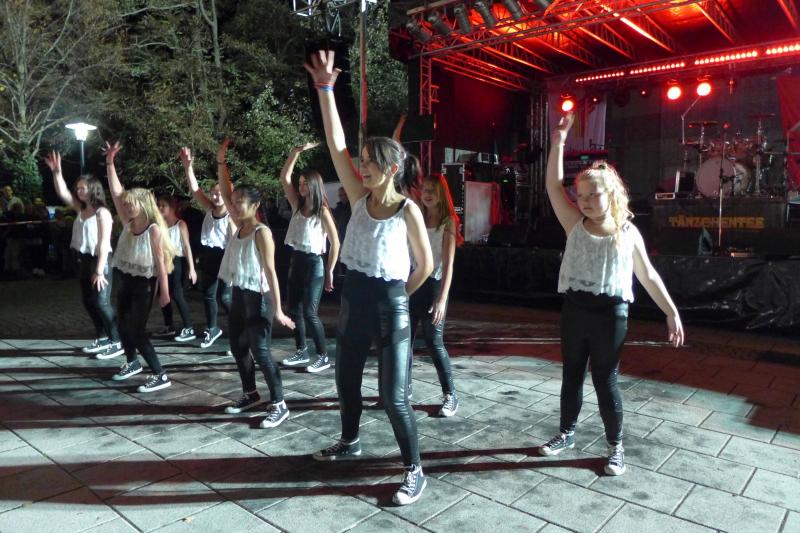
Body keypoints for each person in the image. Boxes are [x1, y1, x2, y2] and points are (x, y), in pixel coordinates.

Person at [305, 50, 434, 506]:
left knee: (393, 397)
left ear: (392, 170)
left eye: (371, 164)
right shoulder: (359, 196)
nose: (361, 168)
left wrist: (399, 298)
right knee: (346, 383)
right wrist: (325, 90)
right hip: (353, 303)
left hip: (390, 306)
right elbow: (334, 142)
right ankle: (350, 441)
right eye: (362, 162)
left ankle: (414, 470)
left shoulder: (407, 210)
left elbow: (425, 265)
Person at [538, 113, 685, 476]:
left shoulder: (627, 232)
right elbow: (554, 186)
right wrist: (558, 142)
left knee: (606, 380)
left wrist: (671, 312)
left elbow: (647, 275)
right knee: (571, 374)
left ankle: (615, 446)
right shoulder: (574, 223)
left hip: (611, 315)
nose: (585, 200)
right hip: (575, 310)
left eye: (594, 194)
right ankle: (566, 433)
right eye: (581, 195)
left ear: (613, 194)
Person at [215, 138, 296, 427]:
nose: (235, 206)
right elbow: (225, 190)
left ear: (255, 205)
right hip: (240, 293)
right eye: (234, 202)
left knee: (261, 351)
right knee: (238, 347)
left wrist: (279, 310)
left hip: (260, 297)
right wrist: (221, 162)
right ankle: (251, 394)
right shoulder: (239, 226)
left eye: (241, 203)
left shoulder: (261, 232)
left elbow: (271, 272)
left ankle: (279, 404)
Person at [104, 141, 176, 392]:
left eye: (131, 204)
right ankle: (132, 362)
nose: (126, 206)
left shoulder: (153, 229)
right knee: (122, 324)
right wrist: (110, 163)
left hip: (145, 283)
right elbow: (116, 193)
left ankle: (160, 374)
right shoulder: (129, 221)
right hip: (126, 278)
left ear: (143, 204)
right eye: (126, 204)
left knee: (136, 329)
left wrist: (164, 293)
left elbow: (161, 264)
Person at [44, 151, 123, 359]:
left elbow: (105, 243)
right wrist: (57, 172)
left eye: (83, 188)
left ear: (93, 189)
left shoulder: (102, 212)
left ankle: (117, 340)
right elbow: (63, 193)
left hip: (100, 261)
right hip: (84, 259)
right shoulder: (81, 209)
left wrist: (99, 270)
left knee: (102, 302)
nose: (78, 191)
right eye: (77, 188)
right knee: (88, 301)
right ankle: (102, 337)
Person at [278, 143, 341, 373]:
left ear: (314, 185)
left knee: (310, 312)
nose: (301, 186)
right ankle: (301, 350)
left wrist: (330, 270)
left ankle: (323, 356)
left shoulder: (321, 211)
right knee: (293, 309)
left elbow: (335, 242)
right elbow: (284, 177)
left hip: (315, 263)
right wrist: (295, 153)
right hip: (296, 260)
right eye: (301, 183)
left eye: (305, 183)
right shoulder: (296, 204)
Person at [408, 173, 462, 417]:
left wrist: (441, 299)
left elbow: (449, 265)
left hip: (433, 286)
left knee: (433, 342)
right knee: (404, 340)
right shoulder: (416, 216)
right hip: (412, 283)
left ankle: (450, 394)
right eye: (425, 189)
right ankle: (403, 388)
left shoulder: (447, 222)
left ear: (441, 194)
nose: (427, 194)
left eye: (432, 190)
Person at [180, 147, 234, 349]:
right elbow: (195, 190)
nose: (216, 196)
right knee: (208, 294)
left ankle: (239, 332)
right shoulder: (210, 208)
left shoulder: (231, 215)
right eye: (213, 193)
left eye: (220, 193)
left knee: (225, 298)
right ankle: (212, 328)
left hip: (226, 257)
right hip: (210, 256)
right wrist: (188, 167)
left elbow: (234, 243)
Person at [156, 195, 198, 341]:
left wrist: (192, 268)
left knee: (177, 294)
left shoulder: (180, 224)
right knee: (162, 293)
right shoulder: (159, 225)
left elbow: (186, 247)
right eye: (159, 205)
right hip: (162, 262)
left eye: (163, 205)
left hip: (176, 261)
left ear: (172, 208)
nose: (160, 208)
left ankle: (189, 327)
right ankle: (169, 325)